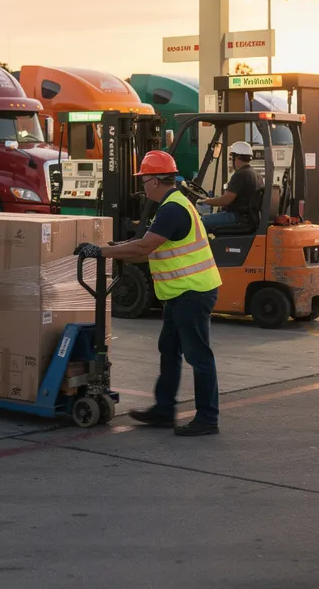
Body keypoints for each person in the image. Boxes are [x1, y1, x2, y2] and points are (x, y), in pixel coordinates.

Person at [75, 150, 223, 436]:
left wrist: (102, 252)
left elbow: (143, 248)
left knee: (198, 356)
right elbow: (148, 247)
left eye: (144, 180)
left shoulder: (173, 209)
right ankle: (164, 410)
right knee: (169, 350)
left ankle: (208, 418)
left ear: (155, 180)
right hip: (180, 293)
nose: (142, 187)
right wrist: (119, 247)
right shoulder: (173, 204)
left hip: (192, 293)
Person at [198, 141, 261, 231]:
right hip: (248, 217)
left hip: (237, 216)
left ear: (237, 156)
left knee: (200, 222)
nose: (231, 160)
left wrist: (206, 201)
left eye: (232, 157)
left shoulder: (240, 175)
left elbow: (225, 200)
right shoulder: (256, 175)